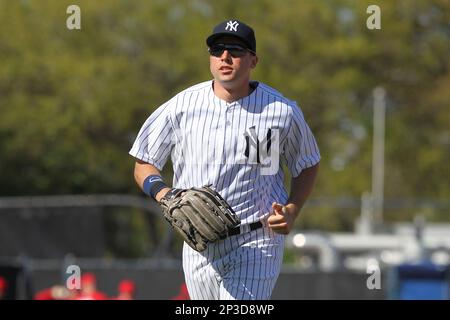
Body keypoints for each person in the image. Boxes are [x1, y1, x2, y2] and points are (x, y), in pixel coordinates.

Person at [129, 19, 320, 300]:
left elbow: (307, 162)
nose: (225, 57)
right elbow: (143, 162)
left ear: (253, 60)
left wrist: (292, 208)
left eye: (235, 50)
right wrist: (164, 194)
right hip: (198, 244)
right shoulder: (181, 106)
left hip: (256, 240)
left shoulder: (280, 111)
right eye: (217, 49)